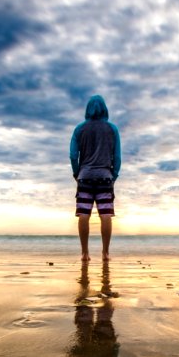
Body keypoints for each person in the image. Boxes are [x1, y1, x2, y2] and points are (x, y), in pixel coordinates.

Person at [69, 95, 121, 262]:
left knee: (84, 214)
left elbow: (72, 155)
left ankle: (85, 253)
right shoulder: (112, 129)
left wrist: (77, 173)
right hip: (105, 177)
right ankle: (105, 253)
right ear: (105, 108)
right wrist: (114, 175)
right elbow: (117, 156)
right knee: (105, 214)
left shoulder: (79, 129)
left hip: (84, 177)